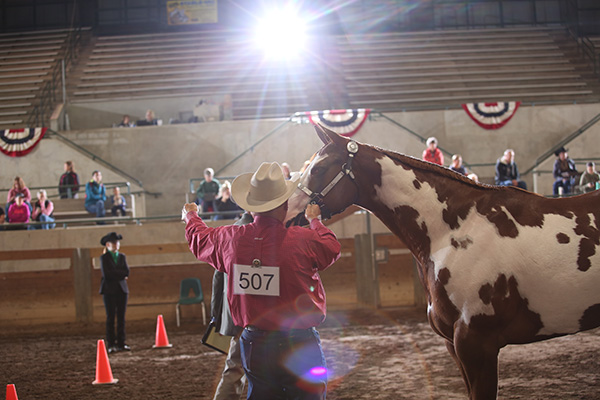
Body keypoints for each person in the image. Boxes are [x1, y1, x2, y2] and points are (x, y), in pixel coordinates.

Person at [183, 161, 341, 400]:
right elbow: (331, 247)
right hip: (299, 339)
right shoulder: (302, 239)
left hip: (255, 341)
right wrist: (315, 221)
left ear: (251, 207)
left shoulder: (230, 239)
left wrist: (191, 216)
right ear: (284, 204)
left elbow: (199, 239)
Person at [211, 212, 253, 400]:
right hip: (259, 313)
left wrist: (217, 314)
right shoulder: (268, 231)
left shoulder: (229, 232)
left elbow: (218, 276)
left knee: (234, 367)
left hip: (236, 314)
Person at [99, 232, 130, 353]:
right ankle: (111, 343)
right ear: (108, 245)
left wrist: (117, 274)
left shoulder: (122, 256)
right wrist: (120, 274)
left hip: (122, 290)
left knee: (121, 317)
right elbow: (107, 274)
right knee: (111, 317)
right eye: (113, 243)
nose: (116, 245)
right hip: (109, 290)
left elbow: (127, 272)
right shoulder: (104, 258)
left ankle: (121, 342)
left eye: (117, 242)